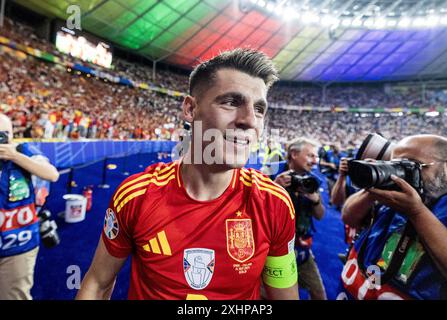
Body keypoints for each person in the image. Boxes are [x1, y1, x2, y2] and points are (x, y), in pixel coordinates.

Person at [76, 48, 299, 300]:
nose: (250, 120)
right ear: (191, 110)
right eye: (231, 102)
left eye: (259, 109)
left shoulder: (274, 203)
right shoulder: (136, 195)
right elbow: (97, 283)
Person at [338, 134, 447, 300]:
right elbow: (349, 217)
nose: (398, 173)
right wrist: (373, 185)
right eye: (394, 164)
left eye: (411, 164)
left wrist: (417, 212)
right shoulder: (393, 195)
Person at [0, 113, 59, 300]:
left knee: (13, 295)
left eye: (3, 134)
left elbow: (51, 174)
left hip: (18, 243)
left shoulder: (23, 150)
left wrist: (14, 156)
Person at [274, 138, 327, 300]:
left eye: (316, 156)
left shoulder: (312, 180)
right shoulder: (272, 173)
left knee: (319, 293)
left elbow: (320, 215)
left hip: (302, 248)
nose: (315, 161)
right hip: (274, 248)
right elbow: (254, 212)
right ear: (294, 154)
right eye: (310, 155)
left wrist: (315, 200)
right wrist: (275, 186)